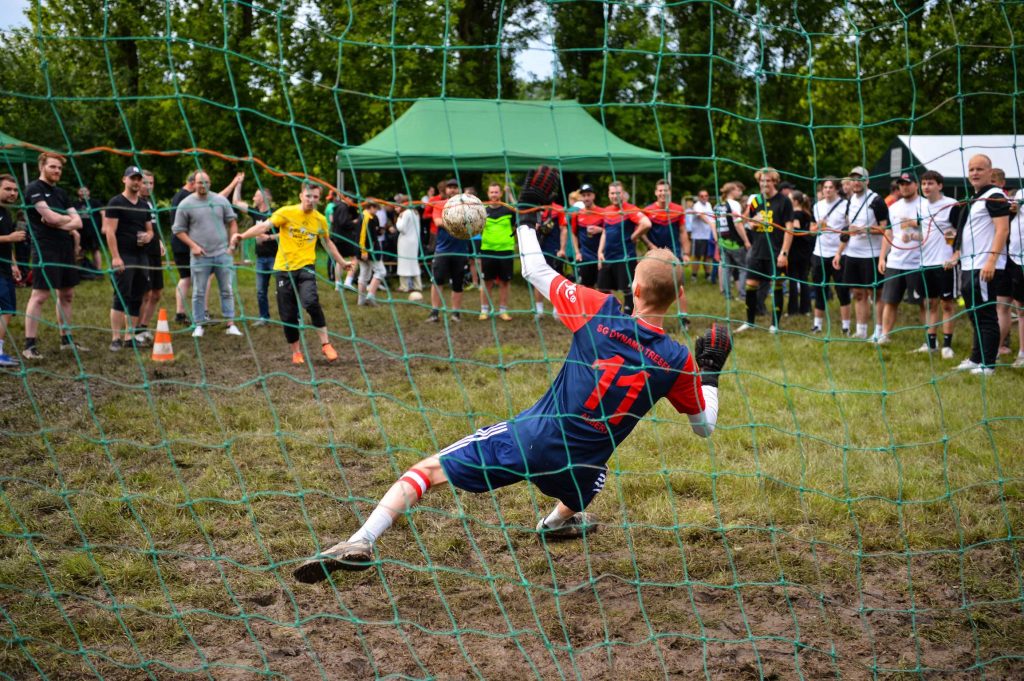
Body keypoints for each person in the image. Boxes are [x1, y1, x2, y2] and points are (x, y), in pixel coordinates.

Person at [291, 166, 730, 582]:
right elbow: (705, 428)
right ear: (678, 295)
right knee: (592, 476)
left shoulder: (600, 311)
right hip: (583, 465)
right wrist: (709, 374)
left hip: (533, 439)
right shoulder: (677, 359)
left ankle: (361, 540)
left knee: (424, 472)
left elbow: (535, 269)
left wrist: (525, 215)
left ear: (634, 288)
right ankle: (556, 522)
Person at [233, 183, 348, 364]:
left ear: (319, 199)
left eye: (315, 197)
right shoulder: (286, 212)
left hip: (306, 267)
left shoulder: (320, 220)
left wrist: (342, 262)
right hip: (283, 270)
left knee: (311, 302)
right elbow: (264, 226)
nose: (311, 200)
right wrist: (242, 236)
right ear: (301, 196)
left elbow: (328, 242)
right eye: (308, 196)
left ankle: (326, 344)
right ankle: (296, 352)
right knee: (288, 314)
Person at [948, 154, 1009, 375]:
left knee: (986, 315)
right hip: (968, 265)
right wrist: (957, 254)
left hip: (984, 265)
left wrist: (991, 260)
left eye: (980, 169)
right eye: (971, 169)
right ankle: (976, 359)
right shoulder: (975, 198)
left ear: (990, 172)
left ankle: (988, 364)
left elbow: (1002, 229)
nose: (975, 173)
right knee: (975, 314)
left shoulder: (994, 196)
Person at [22, 152, 85, 359]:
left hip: (65, 247)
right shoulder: (34, 188)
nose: (57, 171)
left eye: (59, 168)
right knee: (40, 295)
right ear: (42, 166)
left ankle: (66, 340)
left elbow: (79, 222)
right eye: (52, 167)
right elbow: (49, 217)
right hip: (45, 247)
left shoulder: (61, 193)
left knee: (67, 294)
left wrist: (60, 221)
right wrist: (64, 219)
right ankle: (29, 345)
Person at [171, 170, 242, 338]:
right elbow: (178, 230)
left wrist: (232, 243)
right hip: (200, 256)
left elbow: (232, 222)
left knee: (227, 289)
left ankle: (230, 323)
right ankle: (199, 324)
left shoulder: (220, 200)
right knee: (198, 292)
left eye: (206, 182)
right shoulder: (186, 203)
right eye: (199, 182)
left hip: (222, 253)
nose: (203, 185)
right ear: (193, 184)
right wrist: (193, 246)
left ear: (210, 183)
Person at [736, 167, 795, 334]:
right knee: (750, 285)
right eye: (761, 181)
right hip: (757, 251)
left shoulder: (784, 201)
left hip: (776, 251)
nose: (764, 184)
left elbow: (789, 229)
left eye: (768, 181)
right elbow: (747, 221)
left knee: (777, 285)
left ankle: (775, 325)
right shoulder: (755, 201)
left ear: (774, 182)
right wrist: (754, 221)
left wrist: (784, 253)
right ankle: (749, 322)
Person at [832, 166, 889, 340]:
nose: (856, 182)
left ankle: (879, 331)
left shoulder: (876, 200)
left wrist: (864, 230)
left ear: (867, 181)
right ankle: (861, 330)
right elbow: (848, 228)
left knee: (876, 294)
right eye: (853, 179)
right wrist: (839, 253)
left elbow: (886, 229)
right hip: (852, 253)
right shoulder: (850, 200)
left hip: (872, 254)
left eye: (860, 179)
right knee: (858, 293)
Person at [103, 166, 154, 351]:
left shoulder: (144, 205)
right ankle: (115, 338)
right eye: (133, 178)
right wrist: (116, 257)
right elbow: (110, 231)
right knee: (121, 296)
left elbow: (150, 230)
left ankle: (129, 336)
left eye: (139, 179)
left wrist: (148, 237)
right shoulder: (116, 202)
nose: (136, 182)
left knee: (137, 297)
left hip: (141, 256)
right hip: (124, 256)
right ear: (124, 179)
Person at [876, 173, 925, 345]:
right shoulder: (894, 207)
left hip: (918, 262)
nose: (904, 187)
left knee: (924, 303)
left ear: (916, 185)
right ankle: (884, 335)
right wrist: (882, 257)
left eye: (907, 183)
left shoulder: (925, 205)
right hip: (895, 261)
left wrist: (914, 227)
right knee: (889, 300)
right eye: (901, 184)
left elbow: (932, 231)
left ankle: (929, 340)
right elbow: (888, 233)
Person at [917, 170, 958, 358]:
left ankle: (947, 346)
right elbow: (924, 233)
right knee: (929, 304)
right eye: (924, 183)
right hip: (925, 263)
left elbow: (961, 233)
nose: (926, 187)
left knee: (947, 304)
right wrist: (912, 236)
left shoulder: (951, 204)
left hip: (945, 263)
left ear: (940, 185)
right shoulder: (920, 206)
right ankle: (931, 343)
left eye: (930, 183)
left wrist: (955, 254)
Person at [597, 181, 651, 315]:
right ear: (608, 194)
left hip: (625, 257)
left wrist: (634, 236)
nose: (615, 196)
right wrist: (599, 251)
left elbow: (646, 223)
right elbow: (605, 231)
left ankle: (629, 318)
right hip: (607, 257)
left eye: (618, 193)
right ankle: (612, 314)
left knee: (628, 291)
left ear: (623, 194)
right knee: (602, 288)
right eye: (612, 193)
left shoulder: (630, 209)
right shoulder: (606, 210)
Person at [643, 179, 692, 324]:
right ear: (655, 192)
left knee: (678, 286)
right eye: (660, 190)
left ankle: (684, 318)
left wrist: (686, 253)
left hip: (673, 253)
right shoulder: (647, 210)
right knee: (651, 286)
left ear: (669, 192)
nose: (663, 193)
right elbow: (642, 232)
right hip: (654, 254)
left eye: (665, 190)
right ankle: (649, 319)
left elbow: (683, 232)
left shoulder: (678, 209)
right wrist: (650, 245)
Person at [810, 177, 851, 335]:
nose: (827, 190)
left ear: (837, 189)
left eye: (830, 187)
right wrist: (816, 227)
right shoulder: (817, 206)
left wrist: (839, 252)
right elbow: (812, 230)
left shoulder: (845, 205)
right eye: (825, 187)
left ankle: (846, 326)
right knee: (820, 288)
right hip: (819, 253)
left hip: (840, 253)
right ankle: (817, 325)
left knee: (842, 290)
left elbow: (848, 231)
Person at [427, 179, 468, 323]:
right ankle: (434, 312)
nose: (452, 190)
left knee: (458, 283)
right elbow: (438, 222)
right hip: (442, 250)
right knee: (437, 281)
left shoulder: (467, 205)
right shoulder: (439, 204)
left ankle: (456, 313)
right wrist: (459, 223)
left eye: (455, 187)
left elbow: (471, 223)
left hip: (460, 251)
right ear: (445, 189)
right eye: (450, 187)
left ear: (459, 190)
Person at [235, 182, 275, 325]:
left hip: (276, 258)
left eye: (256, 196)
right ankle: (264, 317)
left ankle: (295, 317)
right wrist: (238, 183)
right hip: (260, 258)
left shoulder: (275, 214)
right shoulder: (255, 212)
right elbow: (236, 202)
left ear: (264, 198)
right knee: (260, 290)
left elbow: (285, 234)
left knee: (284, 289)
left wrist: (268, 237)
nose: (253, 198)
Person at [135, 170, 166, 342]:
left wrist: (159, 241)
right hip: (142, 253)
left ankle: (144, 326)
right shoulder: (134, 202)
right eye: (145, 183)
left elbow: (153, 227)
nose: (148, 186)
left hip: (154, 252)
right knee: (144, 293)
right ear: (138, 183)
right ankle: (136, 329)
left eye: (151, 183)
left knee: (157, 293)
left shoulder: (150, 202)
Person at [479, 183, 516, 321]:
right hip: (487, 250)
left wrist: (510, 195)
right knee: (487, 282)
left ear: (500, 194)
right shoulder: (482, 211)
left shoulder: (508, 210)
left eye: (496, 192)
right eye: (491, 192)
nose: (494, 194)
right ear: (488, 194)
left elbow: (520, 213)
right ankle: (484, 310)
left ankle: (503, 311)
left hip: (505, 250)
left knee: (504, 282)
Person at [0, 175, 26, 367]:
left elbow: (8, 245)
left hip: (5, 268)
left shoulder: (7, 213)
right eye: (8, 189)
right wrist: (10, 238)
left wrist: (14, 264)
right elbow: (8, 239)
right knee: (5, 309)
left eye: (15, 190)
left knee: (8, 309)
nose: (13, 193)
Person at [713, 182, 748, 303]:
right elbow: (738, 224)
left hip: (722, 242)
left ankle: (727, 295)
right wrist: (746, 241)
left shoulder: (717, 205)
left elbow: (715, 223)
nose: (740, 192)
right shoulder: (734, 204)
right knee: (743, 268)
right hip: (734, 242)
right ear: (731, 191)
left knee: (726, 269)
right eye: (738, 190)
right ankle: (743, 295)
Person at [786, 190, 815, 317]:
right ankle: (806, 309)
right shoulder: (807, 213)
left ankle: (793, 310)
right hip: (805, 250)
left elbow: (796, 229)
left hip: (795, 251)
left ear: (795, 201)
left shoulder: (796, 214)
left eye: (789, 199)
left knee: (793, 280)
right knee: (804, 279)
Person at [356, 200, 389, 306]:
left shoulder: (372, 217)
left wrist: (379, 231)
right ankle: (370, 296)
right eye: (376, 209)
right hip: (367, 250)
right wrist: (363, 251)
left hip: (368, 249)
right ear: (370, 207)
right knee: (381, 271)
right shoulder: (365, 217)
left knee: (365, 273)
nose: (377, 211)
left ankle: (361, 301)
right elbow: (362, 235)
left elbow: (372, 232)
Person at [570, 184, 603, 288]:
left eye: (588, 195)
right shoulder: (577, 214)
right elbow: (573, 234)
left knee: (604, 288)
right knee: (587, 288)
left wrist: (600, 230)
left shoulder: (603, 212)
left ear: (594, 196)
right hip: (585, 257)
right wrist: (577, 252)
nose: (586, 198)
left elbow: (609, 232)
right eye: (584, 195)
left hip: (601, 256)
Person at [393, 194, 423, 294]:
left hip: (405, 242)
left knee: (404, 263)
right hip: (414, 241)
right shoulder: (415, 212)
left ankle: (404, 286)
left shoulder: (405, 213)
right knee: (414, 263)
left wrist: (398, 218)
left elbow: (401, 228)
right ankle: (418, 285)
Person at [73, 186, 105, 278]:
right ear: (78, 192)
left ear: (89, 192)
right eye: (81, 191)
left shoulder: (94, 202)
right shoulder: (75, 204)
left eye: (85, 191)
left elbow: (103, 213)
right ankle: (80, 271)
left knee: (95, 250)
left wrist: (104, 226)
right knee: (80, 251)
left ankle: (99, 270)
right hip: (80, 232)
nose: (83, 192)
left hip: (93, 231)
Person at [689, 189, 716, 282]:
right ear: (698, 197)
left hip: (708, 235)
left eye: (706, 195)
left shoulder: (708, 205)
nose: (704, 197)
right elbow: (701, 216)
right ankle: (694, 275)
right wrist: (710, 224)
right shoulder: (697, 205)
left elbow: (712, 217)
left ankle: (708, 275)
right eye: (702, 196)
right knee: (697, 256)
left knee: (708, 256)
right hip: (698, 236)